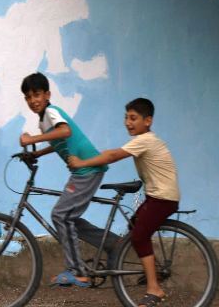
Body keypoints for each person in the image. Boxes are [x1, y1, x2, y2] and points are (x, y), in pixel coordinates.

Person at [68, 98, 179, 307]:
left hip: (162, 198)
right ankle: (152, 271)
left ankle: (154, 289)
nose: (128, 122)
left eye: (133, 118)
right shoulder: (145, 139)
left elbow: (112, 155)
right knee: (134, 227)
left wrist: (82, 162)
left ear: (148, 121)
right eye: (126, 117)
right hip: (159, 196)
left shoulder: (145, 139)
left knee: (138, 237)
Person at [19, 72, 117, 288]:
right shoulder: (44, 120)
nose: (32, 100)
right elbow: (58, 142)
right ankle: (112, 243)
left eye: (36, 94)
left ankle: (77, 271)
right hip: (84, 170)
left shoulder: (52, 112)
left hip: (87, 169)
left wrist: (32, 139)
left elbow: (65, 131)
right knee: (67, 218)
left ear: (47, 94)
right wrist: (36, 154)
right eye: (27, 97)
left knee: (60, 215)